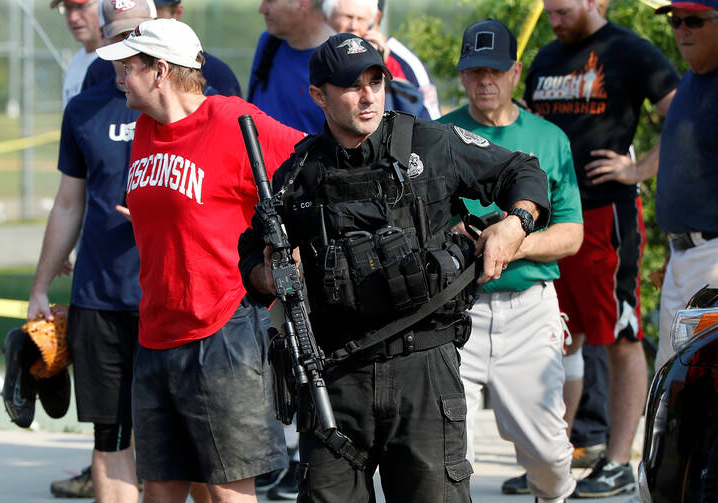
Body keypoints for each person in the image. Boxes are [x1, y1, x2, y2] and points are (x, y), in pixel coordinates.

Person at [238, 32, 550, 503]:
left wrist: (516, 223)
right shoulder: (297, 176)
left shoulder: (430, 142)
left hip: (423, 369)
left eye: (375, 81)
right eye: (351, 86)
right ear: (318, 96)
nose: (368, 96)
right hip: (334, 378)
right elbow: (252, 257)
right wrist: (272, 276)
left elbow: (521, 170)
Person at [95, 18, 304, 503]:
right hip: (156, 332)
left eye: (128, 69)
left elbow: (308, 167)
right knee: (161, 491)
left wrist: (288, 246)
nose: (120, 79)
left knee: (228, 492)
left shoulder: (232, 120)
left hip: (221, 330)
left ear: (161, 71)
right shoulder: (146, 128)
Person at [524, 0, 680, 498]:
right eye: (549, 11)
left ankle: (616, 461)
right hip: (551, 218)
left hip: (605, 215)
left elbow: (684, 116)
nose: (554, 19)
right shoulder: (546, 57)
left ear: (596, 2)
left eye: (564, 10)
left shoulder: (630, 51)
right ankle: (554, 459)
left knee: (619, 334)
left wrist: (639, 169)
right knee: (556, 335)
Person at [438, 20, 583, 503]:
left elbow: (571, 233)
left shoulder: (548, 138)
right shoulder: (440, 134)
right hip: (458, 306)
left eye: (495, 70)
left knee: (547, 454)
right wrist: (463, 236)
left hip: (529, 307)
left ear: (515, 72)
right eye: (474, 70)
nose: (485, 81)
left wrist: (511, 239)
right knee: (448, 448)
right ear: (462, 75)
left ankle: (554, 496)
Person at [28, 2, 157, 502]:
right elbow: (68, 203)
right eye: (119, 36)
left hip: (169, 298)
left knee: (177, 440)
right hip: (100, 297)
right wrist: (41, 287)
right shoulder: (85, 107)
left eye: (138, 36)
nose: (127, 48)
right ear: (106, 39)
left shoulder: (189, 105)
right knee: (110, 437)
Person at [652, 0, 718, 369]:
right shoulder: (693, 77)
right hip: (683, 257)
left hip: (713, 259)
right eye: (676, 22)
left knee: (702, 385)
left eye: (694, 21)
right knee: (673, 384)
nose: (682, 31)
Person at [81, 0, 242, 98]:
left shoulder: (215, 74)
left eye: (139, 29)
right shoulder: (99, 72)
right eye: (122, 35)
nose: (132, 44)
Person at [249, 0, 336, 134]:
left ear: (302, 3)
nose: (262, 9)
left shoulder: (338, 61)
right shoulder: (269, 43)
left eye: (270, 2)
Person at [371, 0, 441, 119]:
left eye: (355, 17)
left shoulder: (406, 61)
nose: (351, 24)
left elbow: (432, 120)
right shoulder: (334, 54)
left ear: (376, 17)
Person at [50, 0, 102, 108]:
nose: (73, 18)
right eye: (68, 8)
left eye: (81, 6)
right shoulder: (76, 61)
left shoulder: (121, 63)